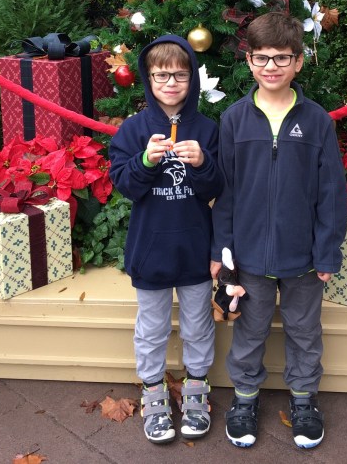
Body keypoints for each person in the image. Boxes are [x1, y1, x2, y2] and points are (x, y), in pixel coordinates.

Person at [210, 12, 347, 450]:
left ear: (298, 62)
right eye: (262, 58)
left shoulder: (317, 121)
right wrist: (221, 250)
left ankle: (304, 401)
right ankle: (244, 399)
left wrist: (327, 252)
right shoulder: (234, 119)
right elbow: (224, 192)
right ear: (249, 61)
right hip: (248, 257)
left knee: (304, 331)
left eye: (282, 58)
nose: (271, 66)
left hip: (303, 257)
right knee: (249, 331)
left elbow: (331, 193)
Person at [109, 35, 223, 445]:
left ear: (192, 78)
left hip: (195, 249)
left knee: (197, 325)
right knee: (152, 328)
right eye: (161, 75)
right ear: (148, 78)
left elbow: (219, 186)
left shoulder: (207, 130)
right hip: (150, 250)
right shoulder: (133, 130)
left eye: (180, 74)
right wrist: (145, 160)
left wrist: (202, 162)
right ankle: (153, 392)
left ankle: (196, 388)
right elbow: (125, 185)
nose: (171, 83)